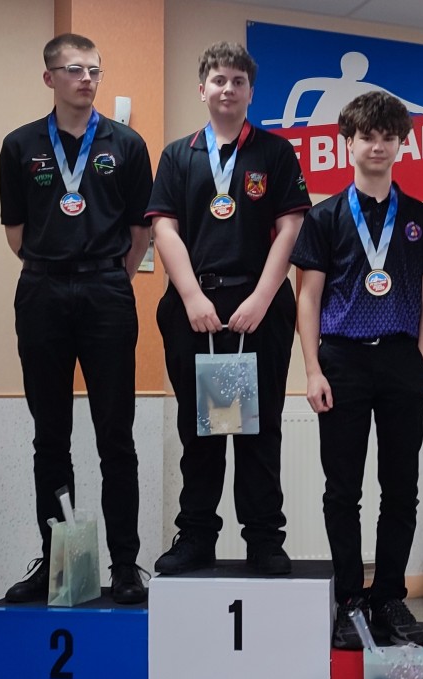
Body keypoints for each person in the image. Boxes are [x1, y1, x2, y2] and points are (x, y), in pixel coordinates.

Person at [291, 92, 423, 649]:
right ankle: (349, 599)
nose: (378, 146)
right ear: (348, 143)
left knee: (400, 488)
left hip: (401, 361)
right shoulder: (324, 217)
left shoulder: (420, 219)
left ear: (402, 144)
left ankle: (388, 594)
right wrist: (312, 369)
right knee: (342, 490)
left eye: (388, 137)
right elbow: (308, 298)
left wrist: (421, 364)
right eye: (367, 136)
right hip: (341, 359)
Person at [0, 33, 153, 604]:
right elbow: (16, 233)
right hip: (41, 290)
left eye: (94, 70)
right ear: (50, 78)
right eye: (74, 69)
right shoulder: (20, 146)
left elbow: (140, 233)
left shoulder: (126, 145)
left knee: (117, 436)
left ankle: (125, 565)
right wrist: (56, 267)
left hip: (106, 293)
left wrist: (104, 275)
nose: (86, 79)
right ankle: (58, 564)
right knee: (50, 438)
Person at [146, 42, 311, 575]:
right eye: (219, 80)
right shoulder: (179, 155)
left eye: (238, 81)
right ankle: (196, 537)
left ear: (250, 91)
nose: (228, 89)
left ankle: (264, 541)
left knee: (258, 431)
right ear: (203, 89)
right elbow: (164, 228)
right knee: (202, 432)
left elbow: (291, 227)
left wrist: (262, 297)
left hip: (259, 307)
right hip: (196, 310)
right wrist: (192, 297)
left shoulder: (275, 153)